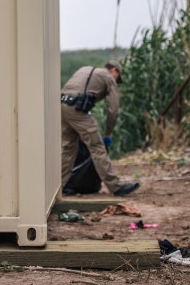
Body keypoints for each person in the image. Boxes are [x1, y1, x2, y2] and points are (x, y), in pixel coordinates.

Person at [60, 60, 140, 197]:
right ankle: (116, 187)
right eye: (118, 77)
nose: (117, 80)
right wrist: (108, 134)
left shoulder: (85, 68)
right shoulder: (108, 77)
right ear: (114, 70)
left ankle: (61, 185)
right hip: (77, 109)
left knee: (69, 149)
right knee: (97, 147)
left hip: (62, 105)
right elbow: (113, 110)